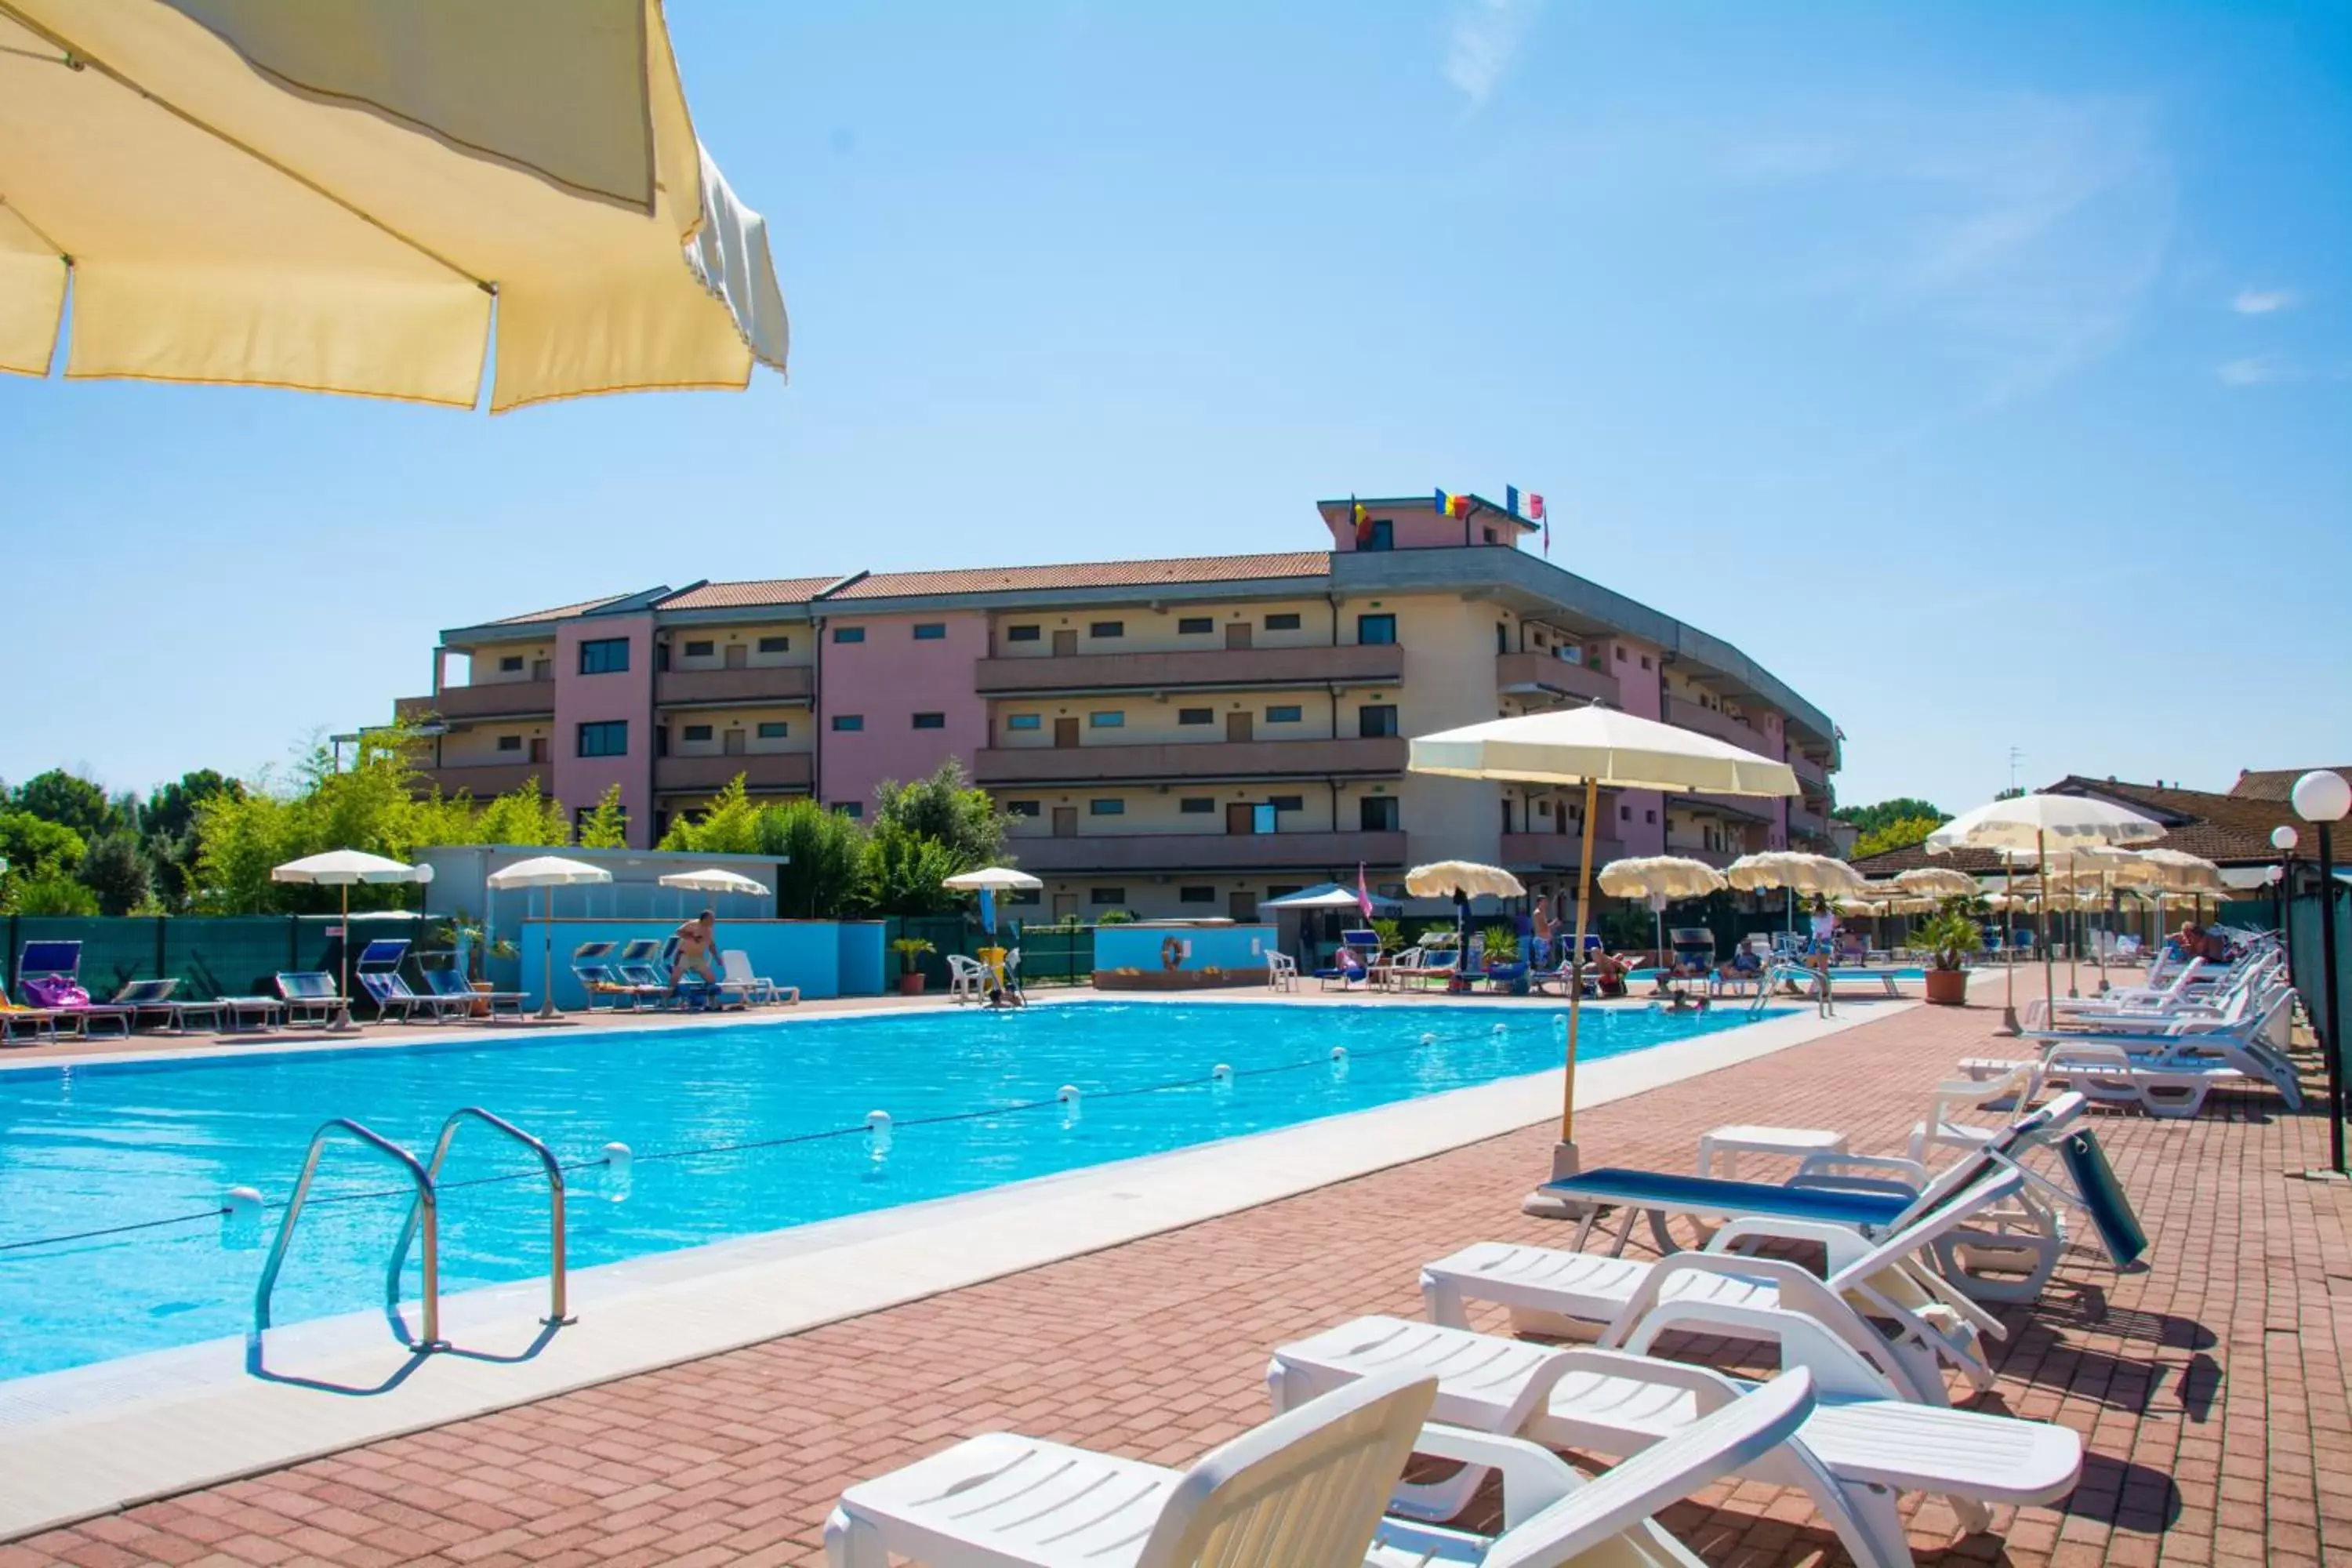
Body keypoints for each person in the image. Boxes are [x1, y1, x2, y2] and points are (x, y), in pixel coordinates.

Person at [669, 909, 719, 1000]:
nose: (713, 921)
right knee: (675, 978)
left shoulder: (709, 930)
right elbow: (679, 932)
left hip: (698, 957)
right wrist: (692, 936)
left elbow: (711, 945)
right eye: (711, 919)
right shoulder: (693, 924)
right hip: (685, 954)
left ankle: (712, 1002)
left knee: (711, 979)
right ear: (705, 919)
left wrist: (717, 958)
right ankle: (666, 1001)